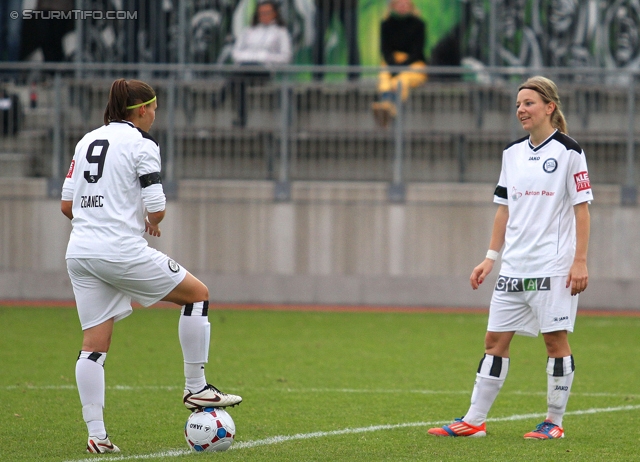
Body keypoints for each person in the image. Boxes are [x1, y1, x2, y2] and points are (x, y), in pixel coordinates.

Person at [61, 79, 242, 454]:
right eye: (154, 109)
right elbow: (156, 206)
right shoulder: (142, 144)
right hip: (119, 249)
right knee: (198, 295)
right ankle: (196, 388)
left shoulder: (86, 141)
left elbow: (67, 206)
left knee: (94, 346)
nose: (155, 116)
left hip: (79, 251)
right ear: (141, 109)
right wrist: (150, 220)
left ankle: (97, 434)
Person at [428, 76, 592, 440]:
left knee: (555, 343)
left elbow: (582, 210)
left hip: (552, 268)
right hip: (513, 267)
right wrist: (490, 258)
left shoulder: (569, 151)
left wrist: (579, 260)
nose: (521, 110)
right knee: (494, 342)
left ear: (549, 107)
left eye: (529, 103)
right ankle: (474, 421)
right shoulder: (511, 153)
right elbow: (503, 210)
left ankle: (554, 423)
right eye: (518, 104)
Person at [230, 0, 292, 127]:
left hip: (266, 70)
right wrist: (253, 57)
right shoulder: (249, 30)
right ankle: (241, 118)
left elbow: (286, 57)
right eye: (261, 13)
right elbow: (236, 52)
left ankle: (221, 96)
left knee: (237, 76)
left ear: (275, 14)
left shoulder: (281, 32)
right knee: (240, 77)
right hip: (245, 68)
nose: (264, 16)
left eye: (267, 13)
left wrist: (265, 57)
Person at [372, 0, 428, 128]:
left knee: (401, 80)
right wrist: (393, 65)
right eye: (399, 4)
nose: (403, 7)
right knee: (385, 76)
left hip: (414, 63)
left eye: (406, 4)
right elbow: (385, 50)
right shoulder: (386, 24)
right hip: (392, 62)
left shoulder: (419, 24)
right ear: (393, 6)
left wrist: (401, 67)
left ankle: (390, 106)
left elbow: (417, 52)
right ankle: (386, 105)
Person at [312, 0, 360, 81]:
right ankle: (317, 76)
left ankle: (354, 77)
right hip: (323, 4)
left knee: (352, 39)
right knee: (319, 39)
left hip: (348, 4)